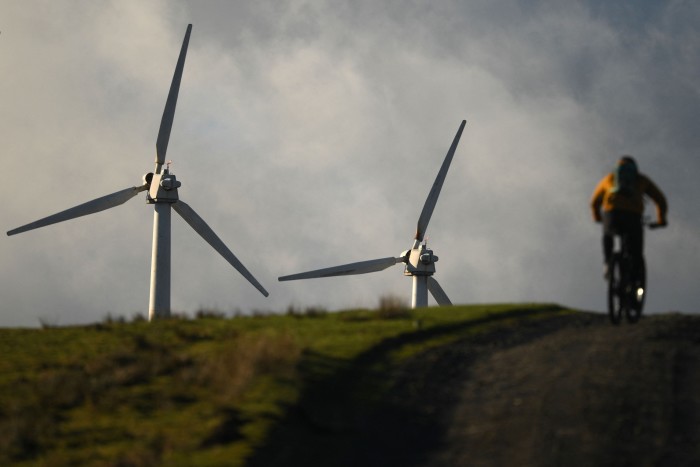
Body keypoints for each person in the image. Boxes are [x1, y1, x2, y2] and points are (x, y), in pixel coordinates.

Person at [590, 155, 668, 279]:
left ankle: (607, 263)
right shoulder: (641, 179)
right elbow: (660, 200)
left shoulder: (609, 178)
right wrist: (661, 220)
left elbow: (594, 202)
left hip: (612, 213)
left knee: (608, 235)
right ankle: (634, 280)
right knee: (635, 251)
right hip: (633, 216)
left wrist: (597, 217)